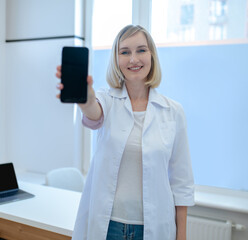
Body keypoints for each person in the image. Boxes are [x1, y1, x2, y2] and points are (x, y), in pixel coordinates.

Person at [56, 25, 194, 240]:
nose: (133, 59)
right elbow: (94, 113)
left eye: (141, 50)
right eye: (125, 52)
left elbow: (182, 182)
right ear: (116, 59)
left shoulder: (173, 112)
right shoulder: (108, 100)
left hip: (154, 227)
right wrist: (84, 99)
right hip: (108, 226)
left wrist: (182, 236)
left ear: (152, 55)